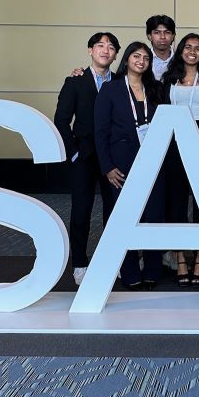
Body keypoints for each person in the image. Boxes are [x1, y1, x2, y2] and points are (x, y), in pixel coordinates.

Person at [94, 41, 168, 290]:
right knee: (124, 217)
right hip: (121, 165)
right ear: (126, 60)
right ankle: (129, 271)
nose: (141, 61)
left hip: (153, 161)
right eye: (136, 56)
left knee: (153, 217)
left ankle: (152, 270)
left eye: (146, 58)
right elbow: (100, 132)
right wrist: (107, 167)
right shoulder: (111, 90)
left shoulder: (156, 89)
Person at [54, 32, 119, 286]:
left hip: (113, 158)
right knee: (81, 211)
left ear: (115, 54)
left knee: (114, 211)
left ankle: (114, 261)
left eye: (111, 47)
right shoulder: (75, 81)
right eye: (100, 46)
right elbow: (61, 120)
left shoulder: (121, 81)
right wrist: (74, 152)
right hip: (85, 157)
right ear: (90, 50)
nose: (105, 50)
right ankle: (80, 263)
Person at [161, 33, 199, 287]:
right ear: (181, 51)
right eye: (188, 47)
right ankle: (180, 258)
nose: (192, 51)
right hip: (174, 142)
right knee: (176, 201)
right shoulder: (168, 79)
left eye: (198, 48)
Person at [146, 15, 176, 81]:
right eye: (157, 32)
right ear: (149, 36)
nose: (162, 37)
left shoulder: (180, 59)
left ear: (173, 36)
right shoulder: (143, 59)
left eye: (167, 32)